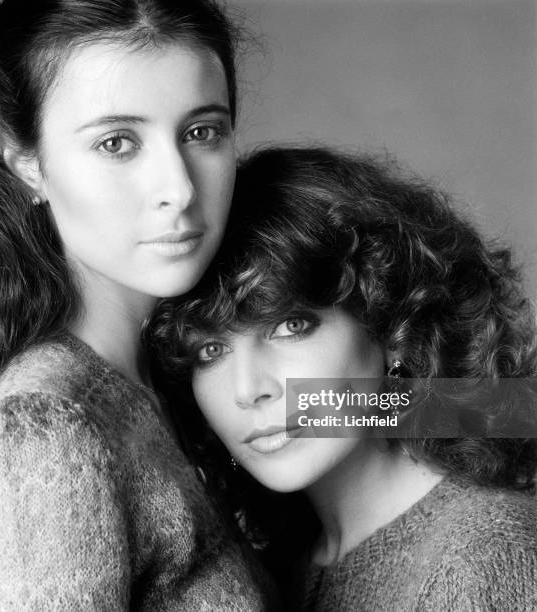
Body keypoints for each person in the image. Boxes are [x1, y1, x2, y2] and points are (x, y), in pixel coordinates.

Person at [0, 1, 276, 609]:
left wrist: (464, 504)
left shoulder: (185, 362)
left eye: (201, 132)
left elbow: (454, 412)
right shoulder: (37, 437)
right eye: (117, 143)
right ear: (25, 161)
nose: (179, 189)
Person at [148, 146, 537, 611]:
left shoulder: (486, 558)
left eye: (291, 326)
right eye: (210, 351)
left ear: (392, 328)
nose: (248, 390)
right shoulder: (281, 566)